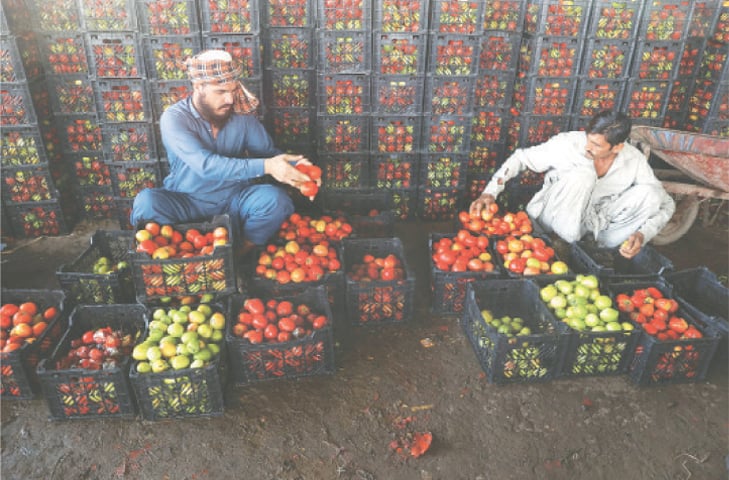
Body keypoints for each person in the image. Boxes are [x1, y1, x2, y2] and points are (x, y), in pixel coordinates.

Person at [130, 49, 316, 256]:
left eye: (233, 90)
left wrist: (300, 171)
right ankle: (178, 257)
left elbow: (268, 154)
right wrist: (268, 166)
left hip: (233, 200)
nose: (229, 99)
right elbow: (205, 165)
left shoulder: (242, 117)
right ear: (198, 87)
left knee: (275, 200)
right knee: (146, 203)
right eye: (220, 92)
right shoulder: (175, 119)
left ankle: (237, 255)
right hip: (186, 200)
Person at [469, 110, 675, 259]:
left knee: (652, 195)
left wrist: (643, 233)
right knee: (584, 174)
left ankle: (596, 252)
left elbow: (666, 204)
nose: (587, 147)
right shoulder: (568, 144)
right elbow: (521, 158)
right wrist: (490, 192)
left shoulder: (633, 159)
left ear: (618, 147)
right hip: (555, 216)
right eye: (588, 139)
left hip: (593, 225)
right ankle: (559, 245)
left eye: (596, 145)